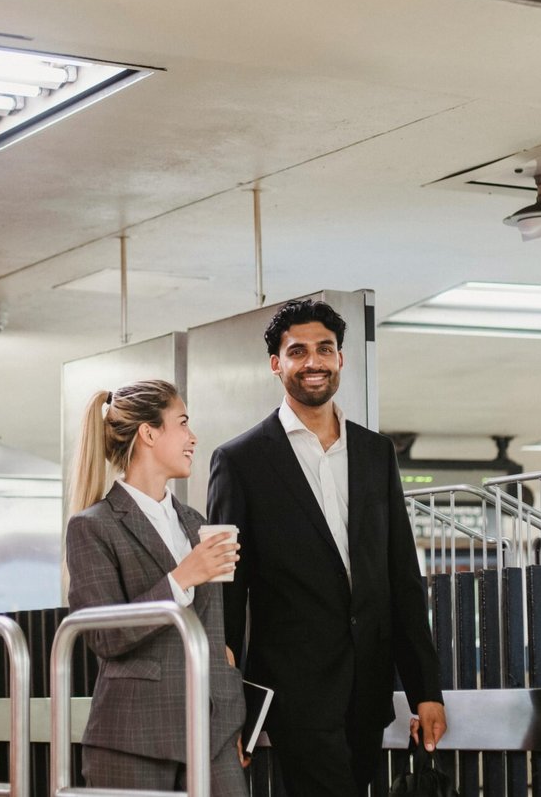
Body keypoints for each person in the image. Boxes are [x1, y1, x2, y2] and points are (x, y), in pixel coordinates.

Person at [208, 299, 447, 797]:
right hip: (293, 691)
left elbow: (401, 575)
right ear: (277, 364)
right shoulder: (240, 460)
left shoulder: (375, 453)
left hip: (368, 684)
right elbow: (227, 590)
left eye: (325, 349)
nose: (313, 361)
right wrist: (227, 706)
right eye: (298, 351)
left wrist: (426, 691)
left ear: (340, 358)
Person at [65, 380, 249, 796]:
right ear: (149, 433)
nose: (192, 437)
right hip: (135, 738)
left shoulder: (196, 522)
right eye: (182, 423)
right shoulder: (92, 527)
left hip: (213, 736)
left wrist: (230, 710)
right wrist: (182, 577)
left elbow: (215, 636)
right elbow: (103, 635)